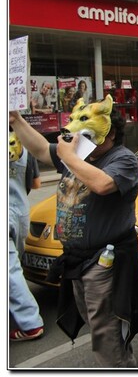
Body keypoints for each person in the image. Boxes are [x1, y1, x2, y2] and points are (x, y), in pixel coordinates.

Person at [9, 98, 138, 367]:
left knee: (105, 328)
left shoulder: (123, 159)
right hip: (76, 258)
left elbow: (103, 184)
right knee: (96, 320)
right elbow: (40, 148)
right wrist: (16, 120)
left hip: (105, 261)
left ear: (109, 133)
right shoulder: (80, 155)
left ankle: (116, 366)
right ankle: (122, 359)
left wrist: (70, 157)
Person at [9, 130, 44, 341]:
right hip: (19, 212)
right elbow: (36, 184)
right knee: (14, 265)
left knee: (10, 270)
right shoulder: (24, 145)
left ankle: (30, 323)